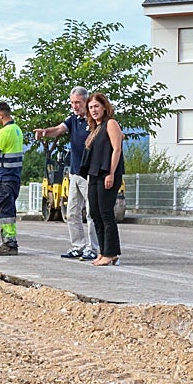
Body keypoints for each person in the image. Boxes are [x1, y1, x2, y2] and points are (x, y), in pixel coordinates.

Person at [32, 86, 98, 262]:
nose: (75, 106)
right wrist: (45, 132)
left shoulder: (94, 121)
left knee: (92, 212)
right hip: (75, 172)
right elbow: (59, 129)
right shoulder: (73, 119)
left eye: (78, 102)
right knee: (72, 212)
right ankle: (78, 246)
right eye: (72, 103)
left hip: (89, 173)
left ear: (86, 101)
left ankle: (94, 248)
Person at [79, 92, 125, 266]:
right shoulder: (95, 128)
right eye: (90, 107)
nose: (93, 110)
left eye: (96, 106)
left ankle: (112, 253)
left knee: (106, 213)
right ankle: (103, 251)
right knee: (95, 213)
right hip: (94, 174)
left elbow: (117, 150)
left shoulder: (110, 124)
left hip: (107, 173)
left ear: (104, 107)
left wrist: (111, 173)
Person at [0, 101, 24, 256]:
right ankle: (10, 240)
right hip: (15, 177)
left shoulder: (4, 132)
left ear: (1, 115)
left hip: (4, 177)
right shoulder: (17, 130)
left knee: (5, 210)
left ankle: (9, 243)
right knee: (10, 209)